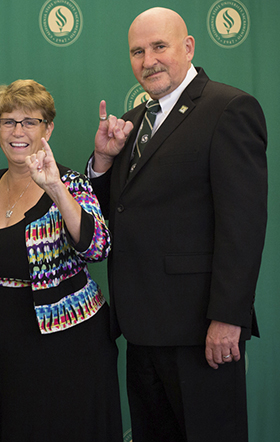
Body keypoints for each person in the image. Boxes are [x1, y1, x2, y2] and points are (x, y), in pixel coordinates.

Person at [89, 7, 267, 442]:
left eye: (159, 47)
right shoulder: (130, 122)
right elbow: (112, 216)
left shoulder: (229, 108)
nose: (148, 60)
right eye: (137, 51)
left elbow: (242, 225)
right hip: (141, 327)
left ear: (188, 47)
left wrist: (228, 317)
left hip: (200, 330)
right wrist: (102, 162)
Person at [0, 79, 122, 441]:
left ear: (48, 128)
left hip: (68, 346)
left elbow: (97, 246)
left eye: (30, 121)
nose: (18, 131)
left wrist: (55, 188)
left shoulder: (69, 183)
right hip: (1, 349)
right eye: (8, 121)